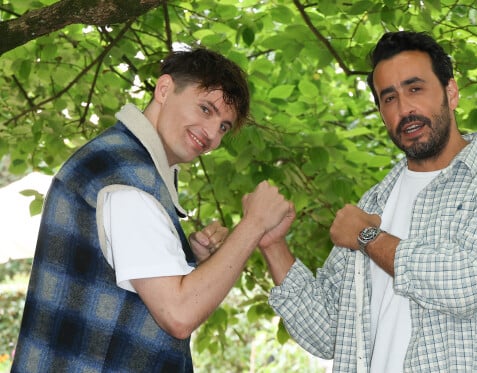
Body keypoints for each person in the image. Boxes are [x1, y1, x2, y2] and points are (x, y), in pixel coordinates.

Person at [258, 31, 477, 372]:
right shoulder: (374, 204)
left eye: (415, 89)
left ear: (451, 93)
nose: (404, 109)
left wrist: (367, 239)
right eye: (389, 98)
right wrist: (272, 243)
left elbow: (470, 282)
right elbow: (329, 334)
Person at [11, 47, 293, 372]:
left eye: (224, 127)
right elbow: (179, 314)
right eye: (205, 108)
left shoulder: (123, 165)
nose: (213, 135)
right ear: (164, 89)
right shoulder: (129, 182)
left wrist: (197, 264)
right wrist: (254, 223)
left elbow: (148, 307)